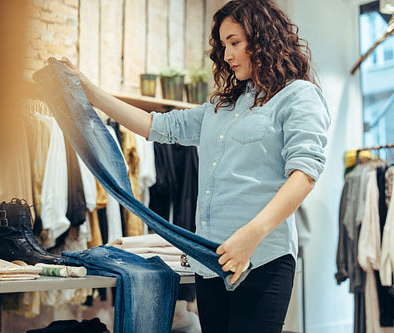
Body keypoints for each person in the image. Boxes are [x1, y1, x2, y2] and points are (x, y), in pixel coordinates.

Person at [61, 0, 330, 331]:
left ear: (263, 39)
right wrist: (89, 91)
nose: (227, 54)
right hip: (209, 261)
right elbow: (155, 126)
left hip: (261, 259)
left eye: (235, 42)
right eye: (223, 45)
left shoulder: (299, 96)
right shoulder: (223, 105)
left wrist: (252, 234)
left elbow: (304, 175)